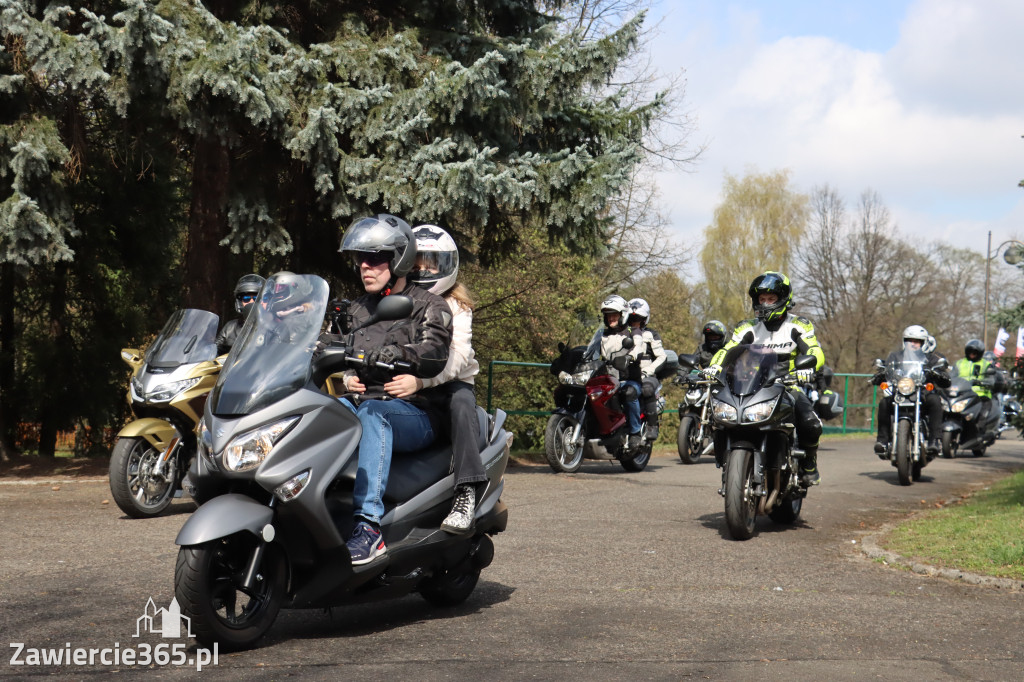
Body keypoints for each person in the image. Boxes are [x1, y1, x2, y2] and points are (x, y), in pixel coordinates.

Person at [334, 214, 453, 565]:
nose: (365, 267)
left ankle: (369, 529)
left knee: (375, 414)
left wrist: (402, 354)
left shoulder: (430, 306)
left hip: (416, 412)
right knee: (317, 413)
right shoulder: (357, 309)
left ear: (400, 259)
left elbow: (436, 350)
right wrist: (344, 376)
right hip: (362, 402)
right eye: (361, 259)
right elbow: (336, 349)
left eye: (375, 258)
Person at [383, 224, 488, 534]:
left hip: (446, 384)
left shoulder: (457, 306)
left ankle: (466, 491)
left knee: (460, 402)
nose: (424, 270)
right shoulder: (399, 300)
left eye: (431, 264)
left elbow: (458, 357)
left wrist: (420, 382)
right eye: (417, 263)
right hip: (406, 382)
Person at [705, 272, 825, 485]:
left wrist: (808, 367)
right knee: (722, 418)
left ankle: (809, 463)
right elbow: (729, 349)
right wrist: (714, 367)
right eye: (762, 299)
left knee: (810, 422)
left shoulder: (799, 325)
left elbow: (815, 351)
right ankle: (728, 460)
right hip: (751, 385)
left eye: (771, 299)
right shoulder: (747, 327)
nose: (766, 303)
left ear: (783, 299)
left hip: (787, 384)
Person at [871, 325, 949, 459]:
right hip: (900, 393)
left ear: (923, 343)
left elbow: (945, 378)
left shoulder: (931, 358)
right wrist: (880, 374)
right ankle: (882, 441)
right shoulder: (895, 356)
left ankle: (934, 440)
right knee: (884, 403)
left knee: (935, 400)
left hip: (922, 394)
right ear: (904, 341)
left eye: (917, 341)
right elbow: (887, 370)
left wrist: (939, 374)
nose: (912, 344)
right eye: (909, 341)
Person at [598, 294, 643, 447]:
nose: (611, 318)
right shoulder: (602, 335)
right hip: (608, 380)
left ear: (623, 315)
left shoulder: (633, 331)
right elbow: (590, 350)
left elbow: (638, 346)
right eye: (608, 315)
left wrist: (629, 357)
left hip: (627, 379)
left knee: (629, 392)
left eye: (614, 315)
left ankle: (635, 432)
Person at [626, 298, 668, 440]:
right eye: (631, 319)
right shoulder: (621, 333)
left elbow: (662, 357)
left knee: (647, 389)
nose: (634, 322)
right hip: (626, 374)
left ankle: (652, 425)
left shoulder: (651, 334)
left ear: (645, 320)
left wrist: (648, 370)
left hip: (647, 375)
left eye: (638, 319)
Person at [952, 339, 996, 435]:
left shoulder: (986, 364)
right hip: (963, 394)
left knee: (983, 414)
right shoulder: (959, 363)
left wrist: (984, 382)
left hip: (980, 395)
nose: (972, 354)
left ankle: (980, 433)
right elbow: (952, 376)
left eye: (975, 352)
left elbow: (991, 380)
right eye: (970, 351)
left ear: (980, 353)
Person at [216, 273, 265, 354]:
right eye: (246, 299)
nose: (251, 302)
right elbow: (214, 351)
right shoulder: (230, 328)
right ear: (240, 303)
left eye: (256, 298)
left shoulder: (272, 327)